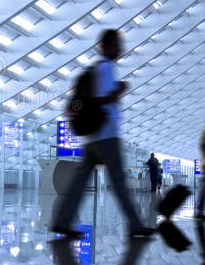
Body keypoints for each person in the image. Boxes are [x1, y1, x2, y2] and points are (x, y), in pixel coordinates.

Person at [52, 29, 154, 239]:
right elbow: (103, 99)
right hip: (106, 135)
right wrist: (120, 89)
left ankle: (62, 221)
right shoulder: (106, 68)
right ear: (106, 46)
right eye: (117, 43)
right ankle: (135, 225)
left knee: (79, 183)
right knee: (118, 182)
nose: (120, 48)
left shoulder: (95, 69)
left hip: (92, 138)